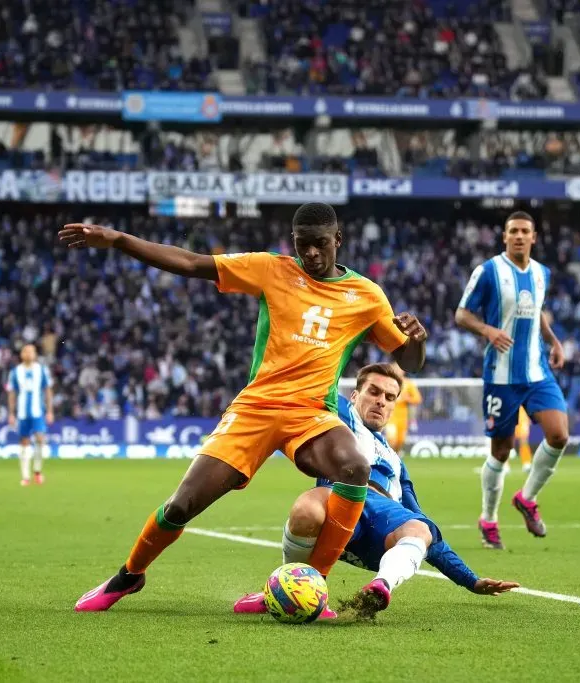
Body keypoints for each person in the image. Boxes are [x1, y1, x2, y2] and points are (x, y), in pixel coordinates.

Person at [60, 203, 428, 612]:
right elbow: (190, 262)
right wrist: (117, 239)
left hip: (311, 413)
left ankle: (313, 587)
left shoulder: (366, 296)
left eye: (320, 244)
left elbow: (407, 361)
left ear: (338, 240)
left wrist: (416, 342)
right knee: (182, 505)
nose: (311, 254)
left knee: (354, 465)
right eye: (302, 245)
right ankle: (129, 576)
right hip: (256, 408)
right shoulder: (271, 268)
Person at [232, 363, 519, 619]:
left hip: (380, 528)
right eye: (373, 392)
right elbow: (318, 375)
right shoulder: (338, 416)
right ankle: (285, 588)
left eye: (389, 397)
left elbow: (421, 525)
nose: (381, 401)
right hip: (339, 506)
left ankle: (380, 587)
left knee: (420, 528)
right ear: (355, 396)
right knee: (307, 506)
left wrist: (470, 580)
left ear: (394, 406)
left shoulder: (396, 462)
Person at [455, 211, 570, 551]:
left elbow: (536, 314)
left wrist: (554, 341)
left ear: (534, 237)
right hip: (501, 376)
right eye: (513, 231)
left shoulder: (541, 273)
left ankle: (527, 497)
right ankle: (488, 519)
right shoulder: (488, 271)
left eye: (525, 231)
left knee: (559, 434)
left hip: (536, 372)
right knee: (501, 452)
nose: (519, 236)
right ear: (504, 236)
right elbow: (461, 314)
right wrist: (487, 329)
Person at [6, 343, 53, 486]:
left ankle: (37, 471)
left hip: (38, 411)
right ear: (21, 355)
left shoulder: (42, 370)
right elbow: (12, 393)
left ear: (35, 354)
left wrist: (50, 411)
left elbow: (48, 390)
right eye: (25, 351)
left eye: (31, 351)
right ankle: (25, 476)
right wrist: (11, 413)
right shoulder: (15, 372)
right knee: (24, 442)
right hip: (22, 413)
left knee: (40, 438)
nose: (28, 354)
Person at [384, 365, 421, 454]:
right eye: (395, 369)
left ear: (403, 371)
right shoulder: (386, 383)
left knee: (400, 441)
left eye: (399, 369)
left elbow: (418, 399)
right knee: (392, 438)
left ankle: (395, 457)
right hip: (390, 417)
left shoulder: (408, 384)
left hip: (403, 418)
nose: (398, 371)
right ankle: (389, 457)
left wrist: (406, 398)